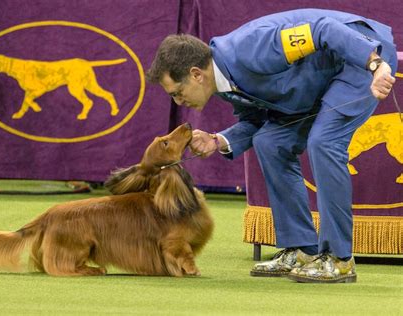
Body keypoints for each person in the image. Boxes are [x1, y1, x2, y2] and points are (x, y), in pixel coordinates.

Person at [146, 8, 397, 283]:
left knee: (324, 141)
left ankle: (338, 259)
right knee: (270, 141)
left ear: (196, 74)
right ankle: (301, 249)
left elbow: (323, 30)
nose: (179, 103)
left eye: (177, 94)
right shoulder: (223, 81)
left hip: (358, 56)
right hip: (320, 81)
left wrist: (374, 63)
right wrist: (218, 140)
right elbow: (256, 123)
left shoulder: (251, 49)